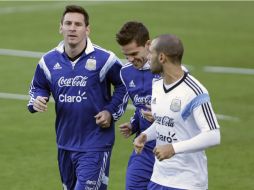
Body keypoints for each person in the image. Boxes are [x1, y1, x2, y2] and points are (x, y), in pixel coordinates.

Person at [27, 5, 128, 190]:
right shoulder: (48, 61)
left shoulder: (105, 59)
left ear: (87, 29)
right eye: (68, 23)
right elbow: (38, 86)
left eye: (78, 24)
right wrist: (37, 99)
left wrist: (110, 111)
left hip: (95, 143)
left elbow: (124, 85)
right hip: (65, 143)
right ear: (61, 27)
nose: (72, 28)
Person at [134, 34, 221, 190]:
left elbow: (213, 134)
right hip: (159, 178)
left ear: (161, 57)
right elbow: (165, 122)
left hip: (187, 182)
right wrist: (146, 135)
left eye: (151, 53)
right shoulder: (158, 86)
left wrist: (174, 148)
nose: (147, 57)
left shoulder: (194, 91)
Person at [116, 21, 161, 190]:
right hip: (143, 148)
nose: (130, 59)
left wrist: (160, 116)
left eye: (134, 53)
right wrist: (134, 124)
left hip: (170, 149)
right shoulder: (125, 72)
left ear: (148, 45)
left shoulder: (169, 70)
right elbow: (139, 105)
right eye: (126, 54)